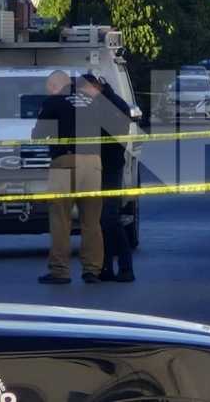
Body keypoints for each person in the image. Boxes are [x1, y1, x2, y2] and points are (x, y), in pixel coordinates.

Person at [32, 71, 105, 284]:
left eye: (49, 86)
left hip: (64, 161)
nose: (48, 90)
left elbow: (38, 135)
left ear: (57, 84)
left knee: (61, 220)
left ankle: (60, 270)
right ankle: (92, 269)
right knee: (91, 221)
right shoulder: (94, 102)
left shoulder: (54, 102)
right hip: (93, 163)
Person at [77, 74, 135, 283]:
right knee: (102, 220)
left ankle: (126, 267)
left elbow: (113, 135)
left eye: (84, 91)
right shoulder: (99, 103)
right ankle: (107, 267)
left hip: (109, 166)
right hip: (98, 165)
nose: (83, 95)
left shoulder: (113, 104)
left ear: (94, 86)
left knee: (110, 218)